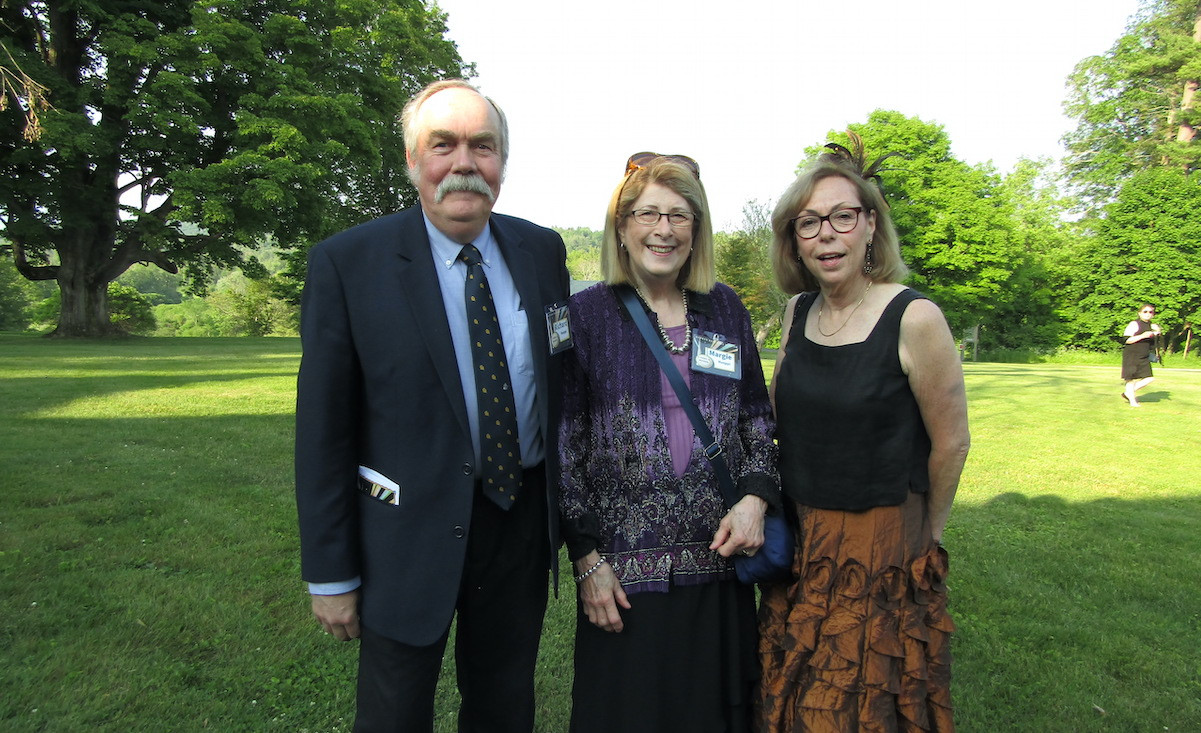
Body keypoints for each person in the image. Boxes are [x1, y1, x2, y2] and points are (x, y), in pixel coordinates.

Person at [294, 79, 570, 732]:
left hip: (516, 521)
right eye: (441, 144)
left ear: (502, 160)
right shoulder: (348, 263)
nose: (464, 162)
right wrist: (330, 573)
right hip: (403, 533)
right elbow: (322, 432)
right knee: (394, 713)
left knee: (504, 707)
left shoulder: (542, 251)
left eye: (483, 145)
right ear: (413, 161)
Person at [558, 153, 782, 733]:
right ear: (622, 226)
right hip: (625, 580)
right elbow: (565, 448)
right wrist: (586, 562)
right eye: (648, 214)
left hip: (719, 564)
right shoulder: (583, 317)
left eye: (680, 216)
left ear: (697, 230)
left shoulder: (726, 309)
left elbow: (757, 417)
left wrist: (755, 499)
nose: (664, 229)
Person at [756, 135, 970, 733]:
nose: (826, 234)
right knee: (797, 687)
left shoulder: (914, 317)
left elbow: (952, 441)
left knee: (863, 697)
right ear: (794, 240)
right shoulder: (797, 313)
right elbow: (776, 416)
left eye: (842, 217)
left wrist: (928, 534)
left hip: (880, 546)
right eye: (808, 223)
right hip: (803, 537)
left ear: (870, 225)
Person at [1121, 303, 1161, 407]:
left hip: (1144, 355)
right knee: (1131, 379)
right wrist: (1142, 336)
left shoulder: (1152, 326)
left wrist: (1157, 333)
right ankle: (1133, 401)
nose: (1148, 314)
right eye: (1145, 312)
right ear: (1139, 313)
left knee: (1149, 378)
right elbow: (1127, 340)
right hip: (1132, 354)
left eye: (1150, 312)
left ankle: (1128, 393)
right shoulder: (1134, 324)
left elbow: (1154, 342)